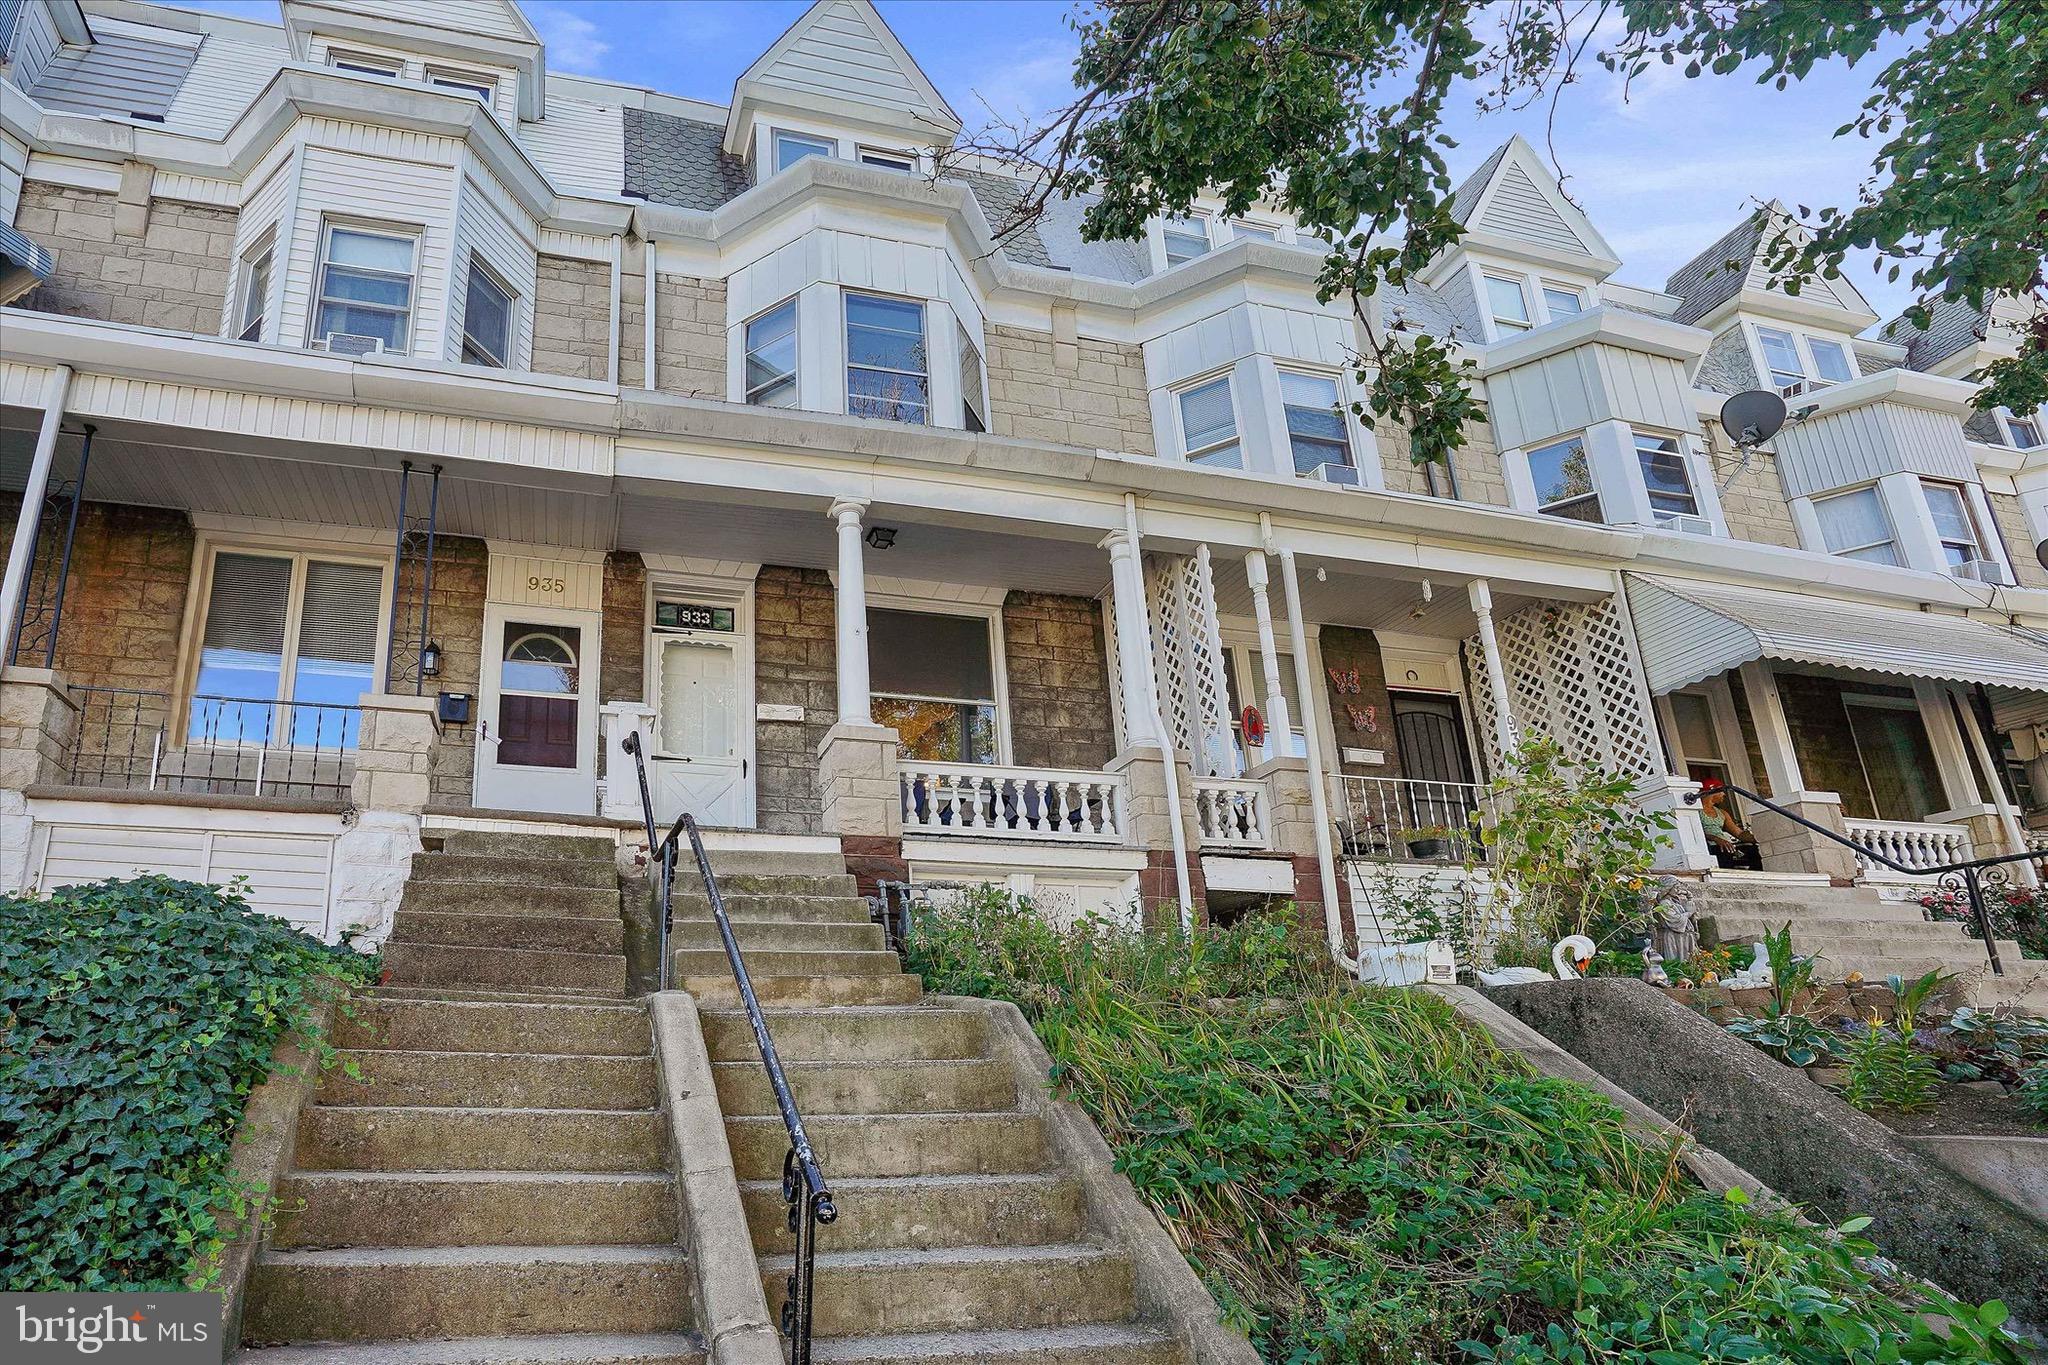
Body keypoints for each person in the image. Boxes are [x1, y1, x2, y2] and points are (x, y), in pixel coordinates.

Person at [1697, 778, 1761, 870]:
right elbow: (1693, 833)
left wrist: (1758, 838)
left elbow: (1739, 833)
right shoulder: (1695, 811)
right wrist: (1716, 839)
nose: (1724, 794)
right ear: (1713, 791)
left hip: (1725, 846)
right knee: (1723, 851)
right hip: (1709, 846)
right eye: (1722, 791)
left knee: (1753, 851)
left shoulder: (1722, 813)